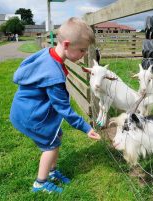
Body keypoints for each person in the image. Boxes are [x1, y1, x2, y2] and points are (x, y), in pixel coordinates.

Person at [10, 17, 101, 194]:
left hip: (24, 109)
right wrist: (85, 127)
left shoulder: (48, 53)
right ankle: (40, 183)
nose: (83, 54)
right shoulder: (54, 76)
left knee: (56, 136)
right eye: (82, 50)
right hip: (32, 116)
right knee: (50, 146)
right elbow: (63, 108)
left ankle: (51, 172)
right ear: (66, 44)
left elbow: (25, 64)